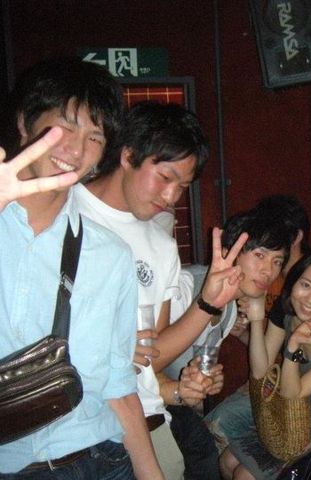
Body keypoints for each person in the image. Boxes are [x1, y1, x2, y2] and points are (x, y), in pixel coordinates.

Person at [0, 57, 162, 478]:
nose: (75, 150)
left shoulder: (110, 255)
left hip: (98, 460)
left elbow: (118, 386)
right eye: (64, 127)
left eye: (94, 137)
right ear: (24, 123)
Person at [75, 100, 248, 479]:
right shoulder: (66, 211)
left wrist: (207, 302)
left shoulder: (161, 245)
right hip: (77, 435)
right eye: (165, 177)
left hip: (149, 424)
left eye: (182, 186)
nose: (171, 197)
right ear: (128, 155)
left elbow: (152, 355)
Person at [218, 248, 311, 480]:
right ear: (294, 282)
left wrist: (292, 348)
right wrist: (257, 317)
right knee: (227, 460)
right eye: (305, 285)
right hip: (284, 420)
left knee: (243, 475)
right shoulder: (286, 310)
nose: (310, 299)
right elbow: (260, 369)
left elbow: (291, 392)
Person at [217, 194, 311, 399]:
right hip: (267, 381)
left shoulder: (309, 288)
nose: (268, 269)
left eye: (276, 259)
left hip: (298, 389)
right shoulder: (263, 282)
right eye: (260, 254)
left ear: (295, 237)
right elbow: (267, 353)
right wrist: (243, 332)